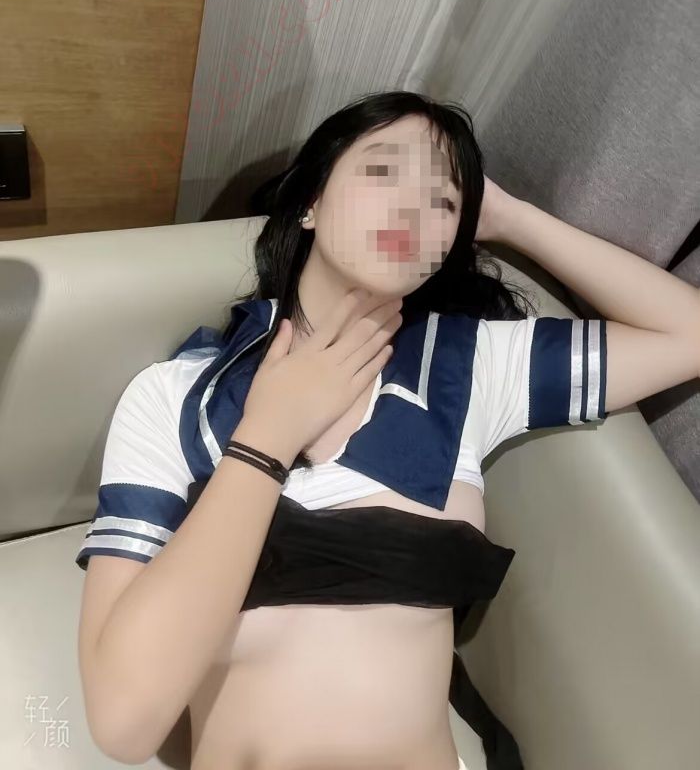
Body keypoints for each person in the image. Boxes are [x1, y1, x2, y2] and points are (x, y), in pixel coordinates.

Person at [77, 90, 616, 769]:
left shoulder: (471, 363)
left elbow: (686, 333)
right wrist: (266, 440)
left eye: (443, 201)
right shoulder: (176, 396)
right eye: (383, 171)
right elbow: (123, 724)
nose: (411, 208)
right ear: (311, 201)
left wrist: (513, 219)